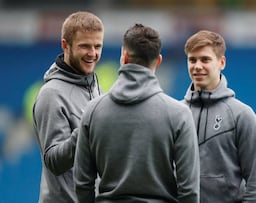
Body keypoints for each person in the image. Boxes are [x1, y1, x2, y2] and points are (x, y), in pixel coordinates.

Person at [74, 23, 200, 203]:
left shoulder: (93, 111)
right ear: (158, 61)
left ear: (124, 58)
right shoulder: (179, 114)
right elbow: (189, 191)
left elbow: (82, 184)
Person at [182, 30, 256, 202]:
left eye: (205, 59)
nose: (197, 66)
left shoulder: (242, 115)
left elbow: (255, 183)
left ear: (222, 62)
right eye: (192, 60)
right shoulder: (176, 113)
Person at [32, 11, 104, 203]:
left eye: (98, 46)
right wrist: (88, 128)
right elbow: (53, 161)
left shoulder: (94, 84)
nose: (93, 53)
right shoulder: (51, 94)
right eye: (85, 46)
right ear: (65, 45)